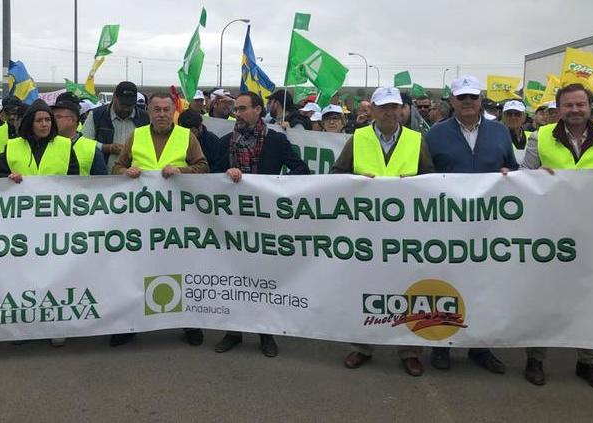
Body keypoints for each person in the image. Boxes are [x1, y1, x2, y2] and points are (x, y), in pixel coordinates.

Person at [519, 83, 593, 392]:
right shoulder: (541, 138)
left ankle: (588, 361)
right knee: (542, 296)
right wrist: (527, 177)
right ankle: (536, 358)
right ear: (559, 109)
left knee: (592, 296)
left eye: (581, 104)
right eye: (569, 105)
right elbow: (523, 175)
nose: (575, 110)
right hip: (549, 234)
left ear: (591, 107)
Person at [331, 87, 434, 376]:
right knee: (366, 288)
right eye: (383, 107)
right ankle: (362, 346)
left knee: (409, 288)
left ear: (402, 110)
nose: (389, 112)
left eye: (394, 107)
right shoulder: (358, 138)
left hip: (407, 231)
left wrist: (415, 183)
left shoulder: (416, 140)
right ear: (373, 110)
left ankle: (410, 350)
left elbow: (432, 178)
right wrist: (354, 180)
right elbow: (336, 174)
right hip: (365, 232)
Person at [425, 76, 518, 373]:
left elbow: (513, 171)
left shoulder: (500, 131)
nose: (467, 102)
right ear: (451, 101)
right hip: (447, 225)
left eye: (473, 97)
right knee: (445, 283)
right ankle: (441, 345)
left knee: (485, 286)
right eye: (461, 97)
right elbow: (422, 176)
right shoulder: (435, 134)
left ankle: (480, 347)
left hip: (488, 227)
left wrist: (508, 174)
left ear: (481, 100)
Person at [214, 92, 310, 358]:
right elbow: (211, 178)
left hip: (265, 221)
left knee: (263, 278)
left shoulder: (276, 141)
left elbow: (301, 170)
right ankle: (233, 331)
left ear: (258, 110)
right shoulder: (225, 143)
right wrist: (225, 176)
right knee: (233, 275)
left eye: (243, 108)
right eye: (236, 109)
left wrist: (274, 187)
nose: (238, 113)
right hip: (231, 222)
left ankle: (266, 333)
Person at [112, 93, 208, 347]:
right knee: (136, 270)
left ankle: (189, 323)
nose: (162, 114)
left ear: (173, 111)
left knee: (182, 269)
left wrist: (182, 170)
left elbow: (203, 167)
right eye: (157, 109)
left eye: (167, 109)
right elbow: (116, 168)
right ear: (150, 112)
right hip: (140, 220)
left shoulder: (187, 136)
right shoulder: (137, 135)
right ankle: (129, 323)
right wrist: (126, 171)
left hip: (178, 220)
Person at [0, 99, 80, 179]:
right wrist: (8, 177)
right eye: (39, 120)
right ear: (30, 123)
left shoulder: (66, 145)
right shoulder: (12, 146)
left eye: (48, 120)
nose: (44, 124)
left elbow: (74, 181)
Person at [81, 81, 149, 170]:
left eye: (130, 105)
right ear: (114, 97)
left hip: (134, 176)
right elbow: (83, 142)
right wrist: (107, 148)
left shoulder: (144, 118)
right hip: (102, 174)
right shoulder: (96, 115)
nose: (126, 109)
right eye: (123, 105)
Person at [52, 92, 107, 176]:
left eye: (58, 117)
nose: (52, 121)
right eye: (52, 117)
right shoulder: (44, 144)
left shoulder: (92, 150)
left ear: (72, 120)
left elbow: (103, 183)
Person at [0, 96, 26, 165]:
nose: (11, 116)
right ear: (3, 113)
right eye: (7, 112)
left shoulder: (32, 130)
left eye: (15, 112)